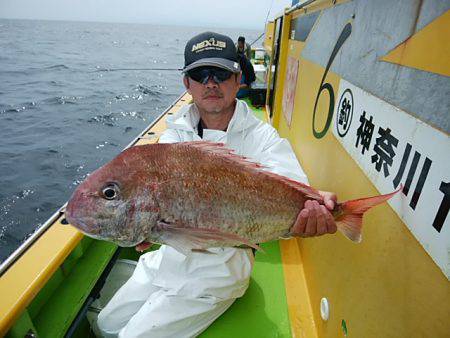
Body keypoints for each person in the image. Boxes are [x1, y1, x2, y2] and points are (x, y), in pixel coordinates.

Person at [97, 31, 337, 338]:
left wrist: (315, 202)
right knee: (107, 324)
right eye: (200, 74)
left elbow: (294, 186)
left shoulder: (262, 138)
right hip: (169, 258)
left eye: (221, 73)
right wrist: (139, 228)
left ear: (238, 80)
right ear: (187, 84)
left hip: (220, 267)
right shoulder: (174, 136)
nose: (211, 82)